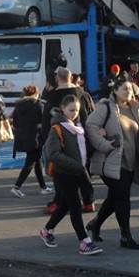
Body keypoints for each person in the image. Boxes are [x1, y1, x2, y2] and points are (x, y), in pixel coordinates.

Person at [85, 81, 139, 250]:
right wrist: (105, 145)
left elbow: (136, 134)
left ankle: (95, 224)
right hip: (111, 161)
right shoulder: (106, 107)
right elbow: (90, 126)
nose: (129, 91)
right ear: (115, 90)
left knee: (115, 197)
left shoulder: (133, 108)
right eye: (125, 88)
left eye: (131, 89)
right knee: (122, 198)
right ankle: (125, 236)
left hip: (129, 162)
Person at [39, 94, 103, 256]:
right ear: (62, 109)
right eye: (71, 110)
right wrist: (76, 166)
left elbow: (82, 150)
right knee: (75, 206)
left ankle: (47, 231)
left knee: (66, 205)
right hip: (64, 173)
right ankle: (84, 242)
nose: (74, 113)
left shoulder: (76, 127)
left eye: (77, 110)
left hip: (76, 172)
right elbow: (53, 154)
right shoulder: (57, 128)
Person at [41, 68, 95, 213]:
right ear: (71, 78)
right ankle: (88, 201)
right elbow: (92, 115)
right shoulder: (83, 95)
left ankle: (58, 202)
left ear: (57, 79)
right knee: (84, 171)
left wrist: (43, 141)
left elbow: (46, 122)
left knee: (61, 173)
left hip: (62, 140)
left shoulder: (52, 98)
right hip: (83, 138)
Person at [11, 85, 52, 197]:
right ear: (36, 94)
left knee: (36, 161)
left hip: (23, 138)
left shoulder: (18, 106)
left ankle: (43, 187)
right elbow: (44, 121)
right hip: (36, 138)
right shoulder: (38, 105)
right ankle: (17, 186)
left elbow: (14, 123)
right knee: (30, 163)